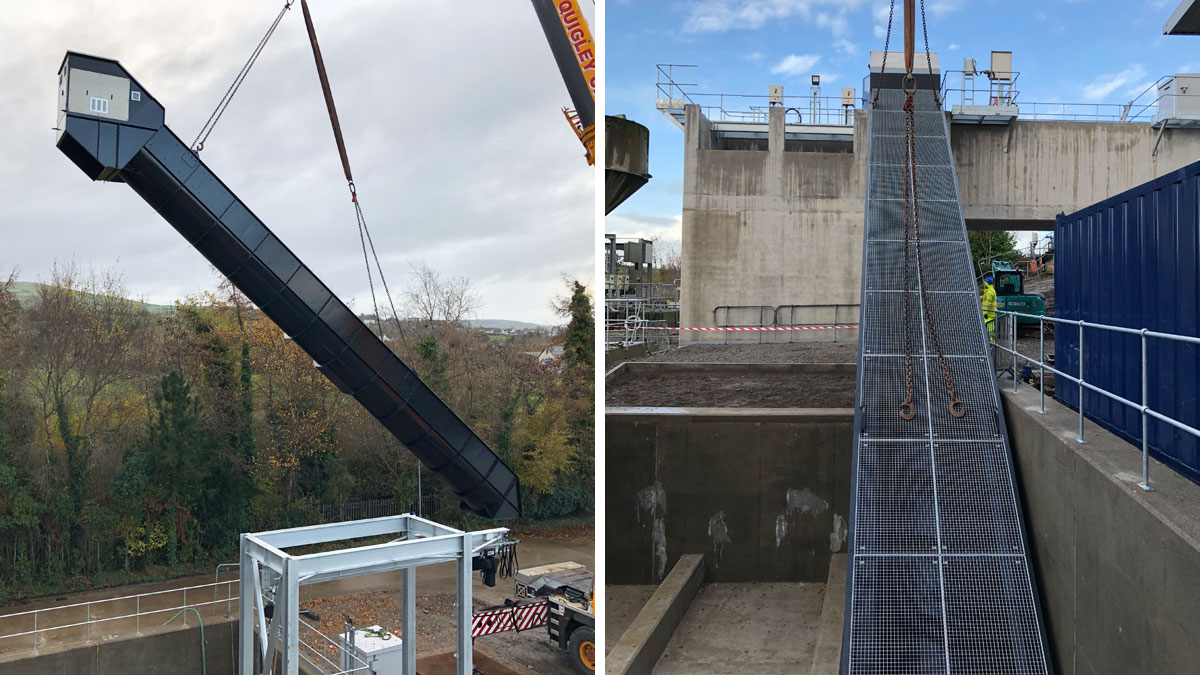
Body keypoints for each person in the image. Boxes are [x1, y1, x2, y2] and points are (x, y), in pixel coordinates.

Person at [981, 275, 998, 344]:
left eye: (984, 283)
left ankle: (992, 344)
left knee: (990, 331)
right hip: (989, 314)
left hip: (988, 315)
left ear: (986, 283)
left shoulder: (989, 292)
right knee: (990, 331)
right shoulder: (989, 291)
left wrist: (985, 313)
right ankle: (991, 343)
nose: (983, 284)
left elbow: (988, 304)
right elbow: (984, 298)